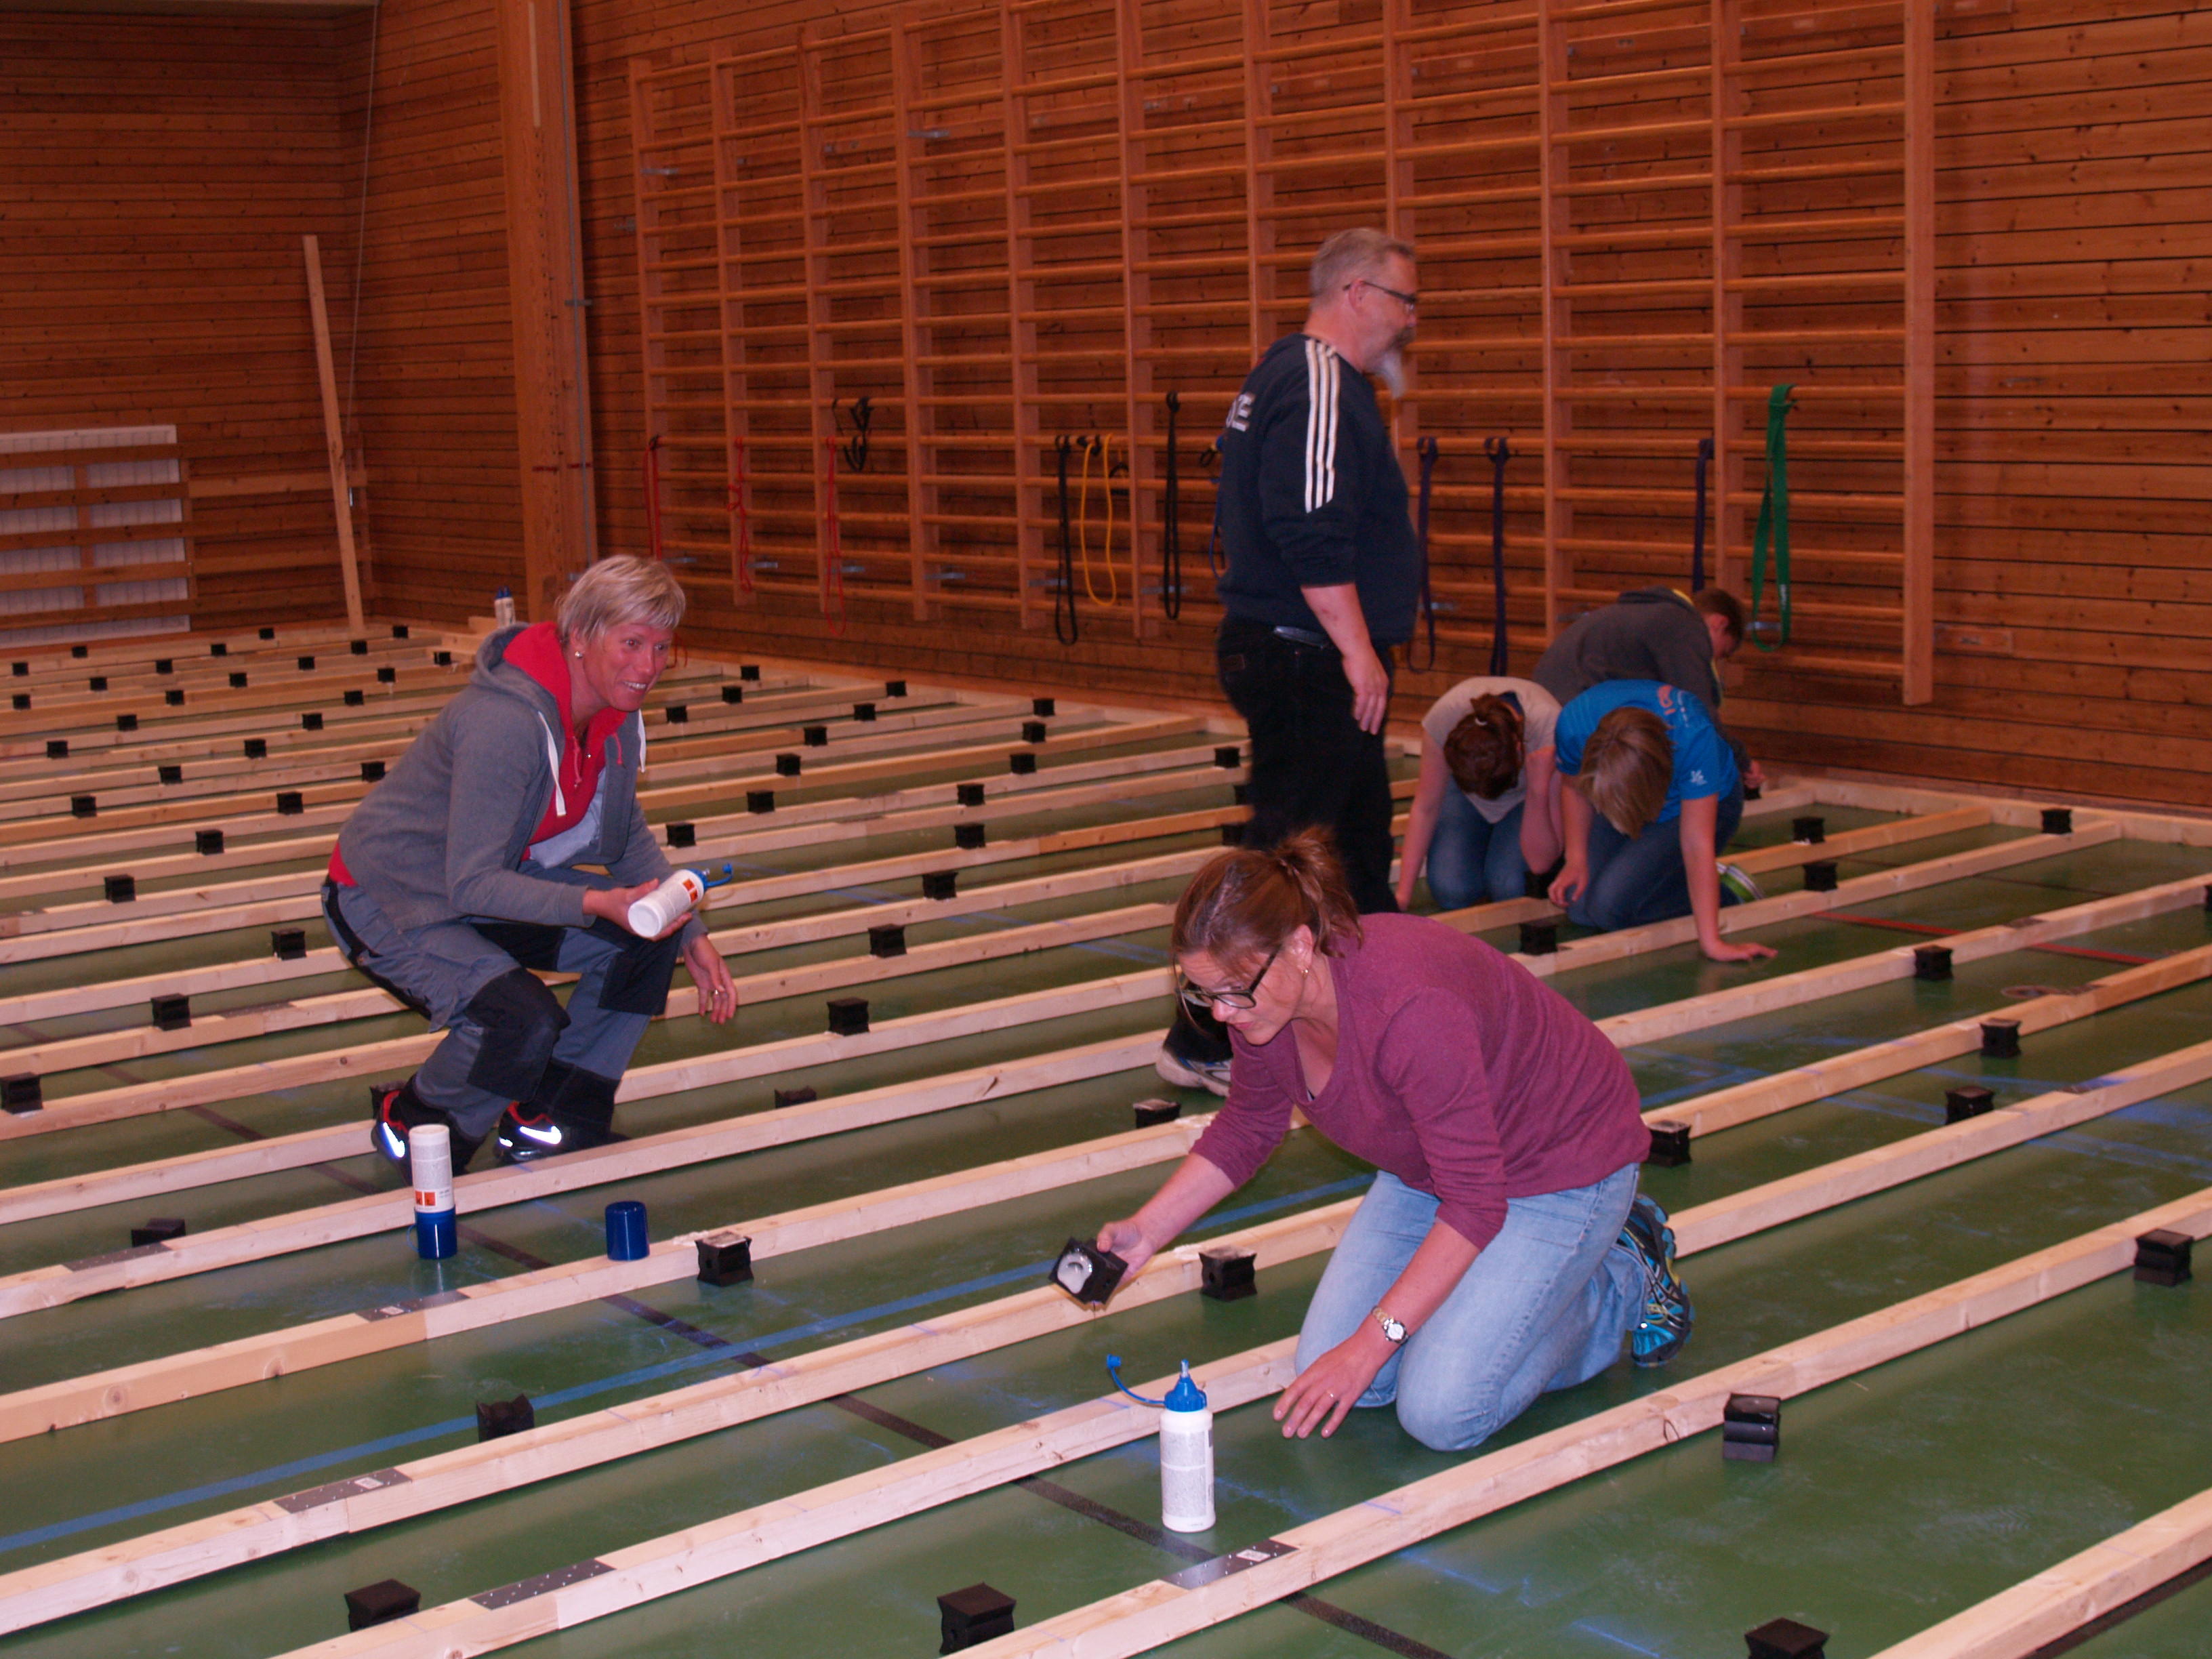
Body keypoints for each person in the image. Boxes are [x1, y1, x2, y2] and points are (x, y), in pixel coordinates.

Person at [1101, 832, 1691, 1454]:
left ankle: (1623, 1277)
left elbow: (1475, 1203)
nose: (1222, 1014)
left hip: (1564, 1164)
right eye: (1205, 993)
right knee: (1351, 1377)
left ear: (1299, 946)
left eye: (1233, 990)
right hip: (1435, 1168)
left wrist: (1372, 1341)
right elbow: (1249, 1125)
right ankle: (1493, 1305)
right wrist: (1148, 1230)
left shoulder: (1409, 1010)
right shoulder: (1262, 1011)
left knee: (1443, 1410)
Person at [322, 555, 737, 1172]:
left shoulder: (614, 715)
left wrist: (691, 930)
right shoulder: (504, 722)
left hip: (485, 886)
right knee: (520, 1020)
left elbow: (623, 837)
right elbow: (470, 883)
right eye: (631, 644)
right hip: (390, 897)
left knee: (648, 939)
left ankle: (551, 1116)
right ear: (581, 636)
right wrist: (594, 901)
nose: (648, 667)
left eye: (661, 648)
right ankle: (417, 1120)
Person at [1160, 227, 1424, 1095]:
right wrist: (1357, 651)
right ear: (1357, 294)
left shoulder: (1307, 378)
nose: (1409, 323)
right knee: (1280, 863)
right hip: (1304, 653)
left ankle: (1383, 1011)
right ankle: (1207, 1036)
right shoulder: (1317, 380)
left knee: (1352, 851)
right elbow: (1309, 531)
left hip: (1309, 651)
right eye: (1403, 303)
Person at [1548, 679, 1776, 964]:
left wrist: (1712, 943)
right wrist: (1576, 859)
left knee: (1608, 909)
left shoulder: (1693, 736)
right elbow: (1573, 789)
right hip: (1620, 802)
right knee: (1579, 906)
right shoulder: (1574, 724)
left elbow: (1696, 844)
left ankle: (1728, 891)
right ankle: (1667, 874)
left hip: (1699, 807)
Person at [1532, 585, 1763, 788]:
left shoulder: (1647, 614)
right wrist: (1742, 762)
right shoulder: (1683, 626)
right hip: (1569, 720)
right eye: (1722, 653)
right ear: (1719, 623)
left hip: (1547, 714)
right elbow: (1698, 715)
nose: (1712, 660)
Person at [1395, 676, 1562, 911]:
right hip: (1465, 796)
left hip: (1525, 797)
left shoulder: (1549, 728)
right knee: (1451, 890)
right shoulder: (1444, 716)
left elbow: (1540, 863)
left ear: (1518, 748)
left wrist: (1538, 788)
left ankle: (1495, 857)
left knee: (1510, 888)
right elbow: (1425, 807)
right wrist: (1402, 895)